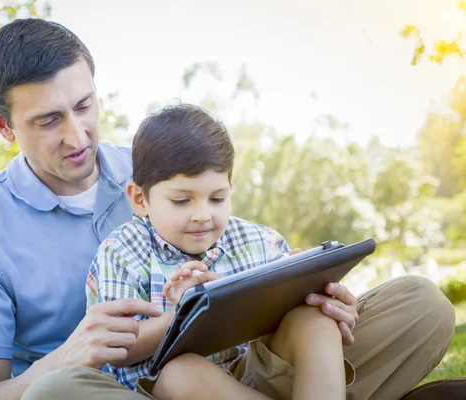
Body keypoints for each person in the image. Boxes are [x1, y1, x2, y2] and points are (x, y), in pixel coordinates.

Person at [0, 17, 455, 400]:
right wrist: (60, 360)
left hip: (246, 371)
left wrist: (313, 293)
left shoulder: (159, 170)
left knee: (421, 304)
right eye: (48, 120)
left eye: (85, 106)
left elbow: (247, 260)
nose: (77, 135)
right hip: (133, 391)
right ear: (3, 126)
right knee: (55, 394)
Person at [86, 104, 349, 400]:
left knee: (315, 317)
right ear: (140, 199)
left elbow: (291, 320)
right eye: (182, 201)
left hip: (252, 376)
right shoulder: (122, 251)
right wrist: (183, 313)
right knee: (180, 374)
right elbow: (118, 350)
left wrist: (310, 290)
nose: (202, 215)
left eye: (217, 198)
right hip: (169, 389)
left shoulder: (257, 241)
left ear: (230, 188)